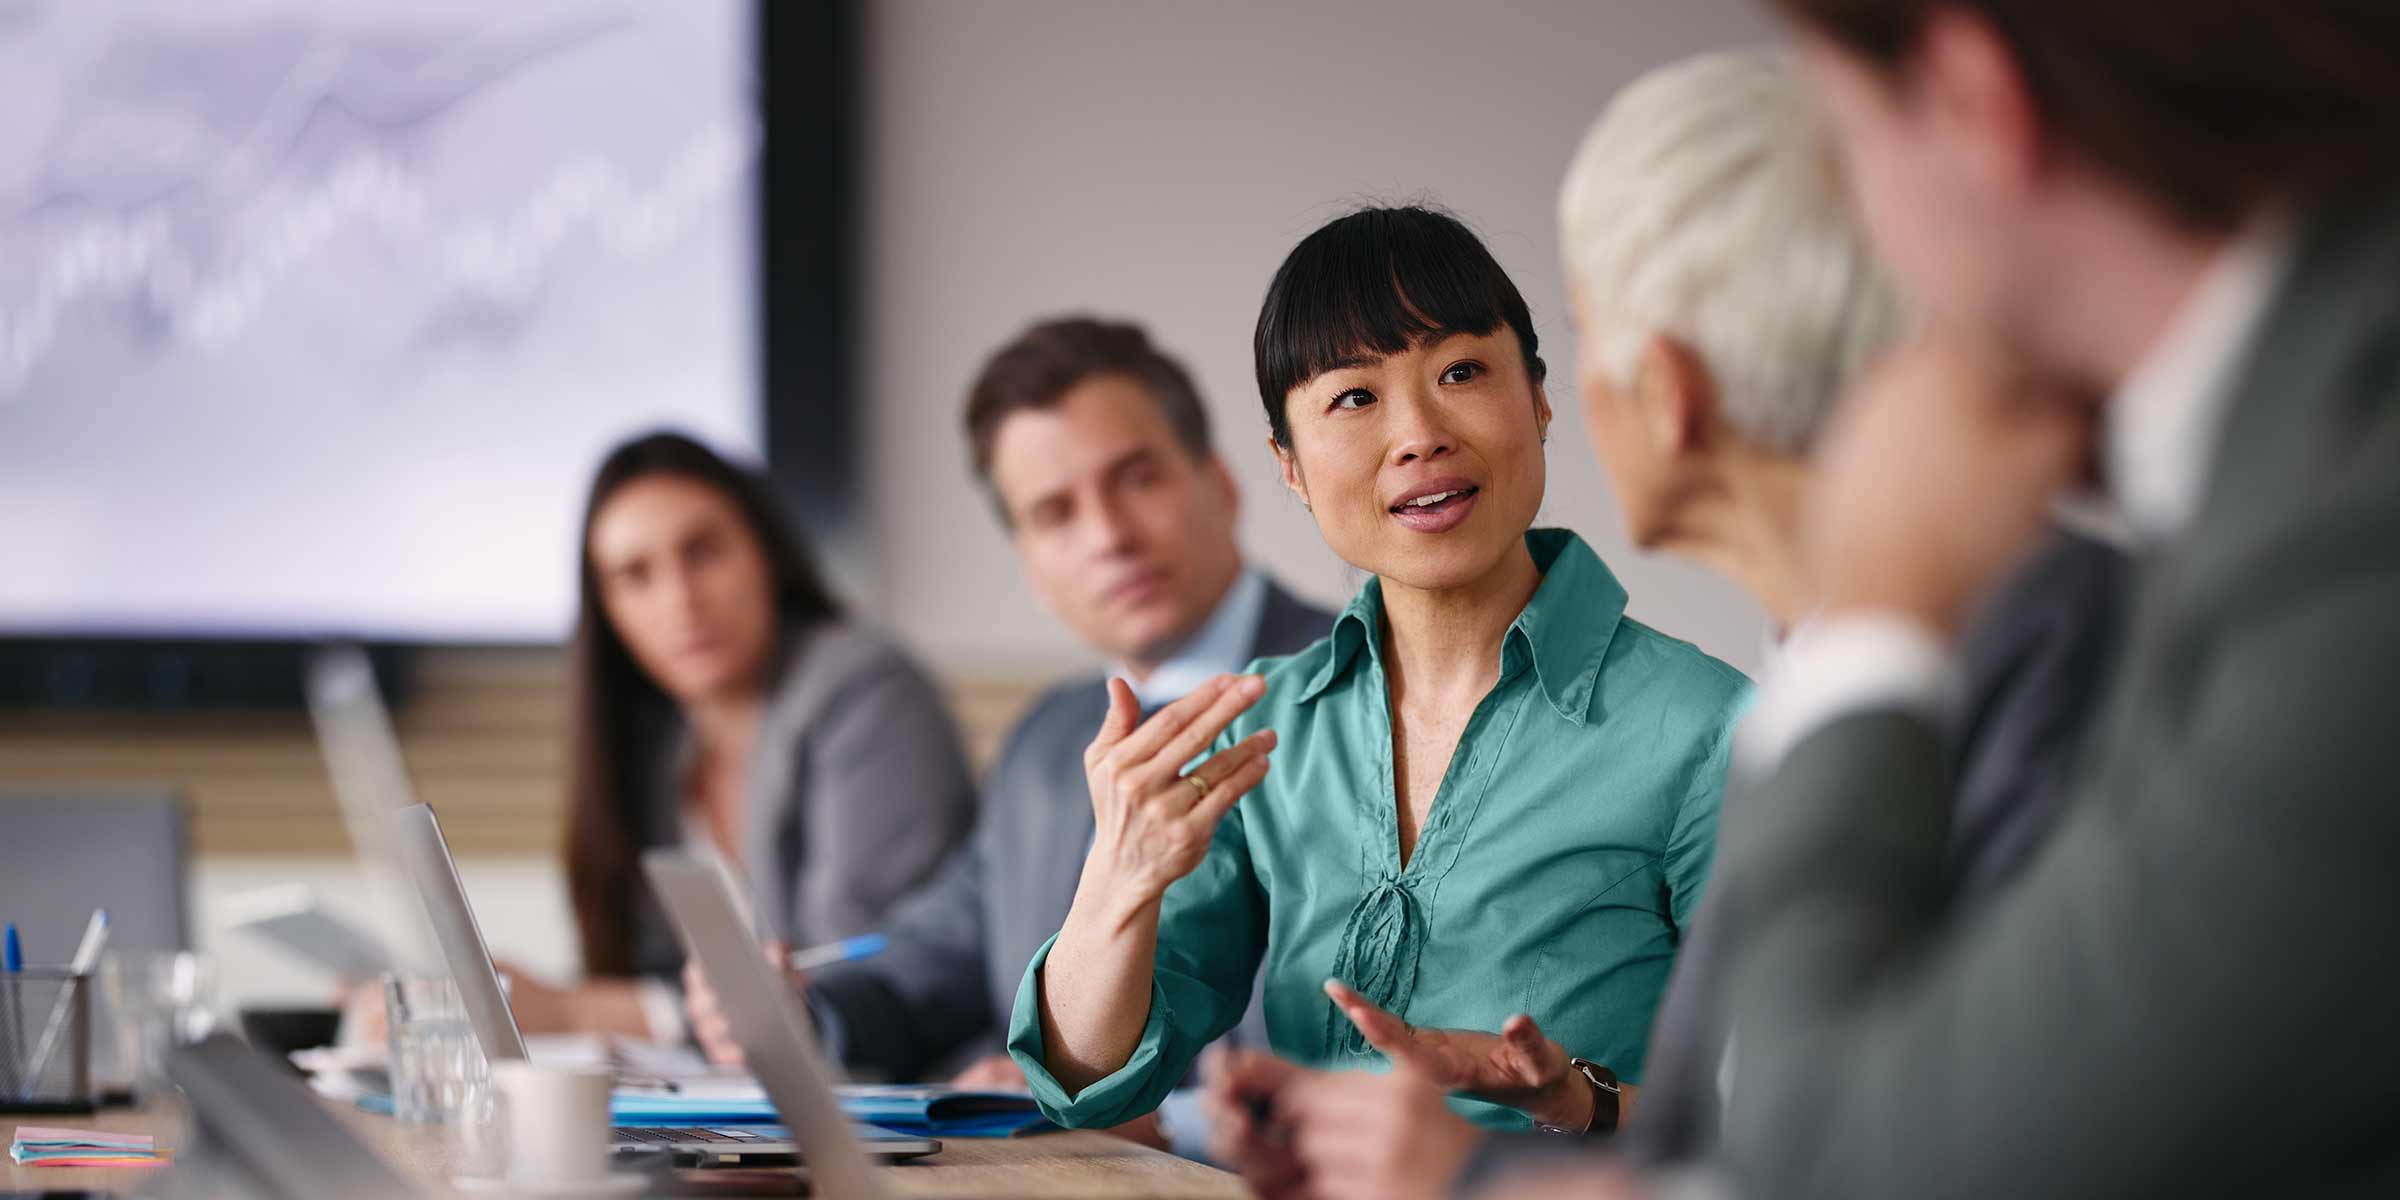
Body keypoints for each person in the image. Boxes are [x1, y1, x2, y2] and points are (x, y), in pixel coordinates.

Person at [1196, 51, 2131, 1200]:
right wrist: (1557, 1108)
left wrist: (1482, 1174)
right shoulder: (1828, 674)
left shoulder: (1988, 652)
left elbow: (1930, 1140)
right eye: (1357, 396)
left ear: (1667, 390)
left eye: (1565, 343)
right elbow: (1760, 1122)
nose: (1428, 432)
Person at [1006, 206, 1753, 1154]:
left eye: (1463, 372)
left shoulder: (1709, 729)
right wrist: (1116, 878)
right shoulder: (1264, 725)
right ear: (1289, 466)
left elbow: (1804, 1118)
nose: (1418, 435)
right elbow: (1089, 1086)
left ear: (1540, 399)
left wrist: (1580, 1100)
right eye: (1354, 399)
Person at [683, 317, 1334, 1157]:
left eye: (1136, 479)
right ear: (1030, 566)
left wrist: (1136, 1111)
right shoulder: (1045, 740)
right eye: (1056, 514)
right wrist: (798, 1010)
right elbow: (933, 954)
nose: (1108, 536)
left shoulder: (1363, 685)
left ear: (1221, 483)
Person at [500, 431, 976, 1039]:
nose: (680, 600)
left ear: (764, 551)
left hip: (911, 1098)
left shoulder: (867, 689)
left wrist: (577, 1012)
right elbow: (657, 970)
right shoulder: (661, 748)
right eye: (635, 575)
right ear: (607, 611)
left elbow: (855, 974)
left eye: (703, 552)